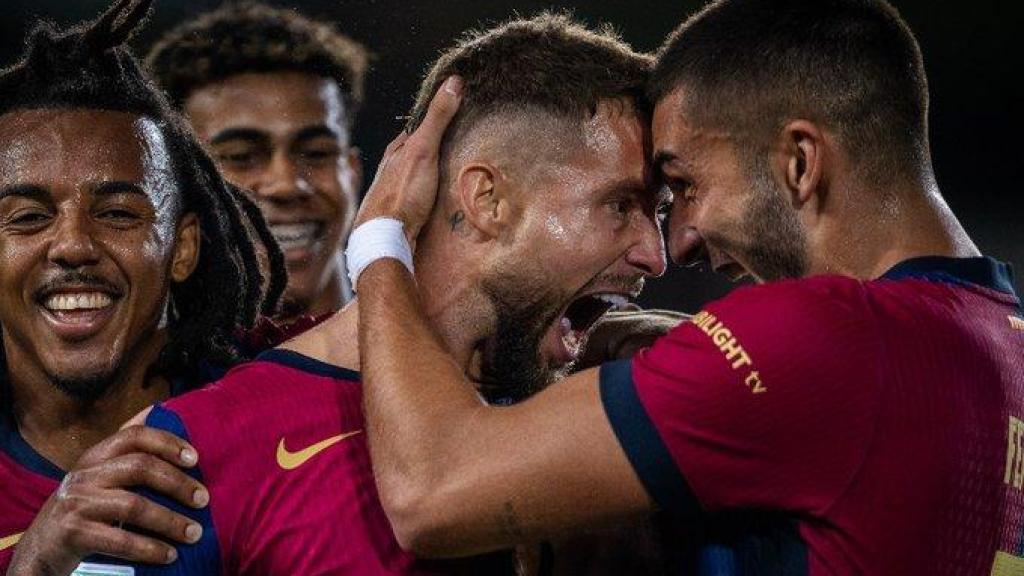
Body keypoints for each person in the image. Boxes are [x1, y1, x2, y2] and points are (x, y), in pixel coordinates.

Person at [350, 0, 1024, 574]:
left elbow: (430, 493)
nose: (682, 240)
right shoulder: (1000, 338)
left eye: (686, 186)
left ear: (799, 161)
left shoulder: (826, 337)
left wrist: (380, 240)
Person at [28, 12, 670, 575]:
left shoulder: (589, 412)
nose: (655, 254)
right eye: (621, 205)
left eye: (660, 211)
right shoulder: (192, 446)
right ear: (487, 199)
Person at [0, 0, 285, 572]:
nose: (74, 246)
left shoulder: (283, 403)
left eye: (119, 214)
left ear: (182, 249)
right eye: (28, 217)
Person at [147, 2, 367, 320]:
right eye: (241, 157)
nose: (287, 184)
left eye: (317, 153)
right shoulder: (128, 365)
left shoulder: (443, 358)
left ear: (352, 172)